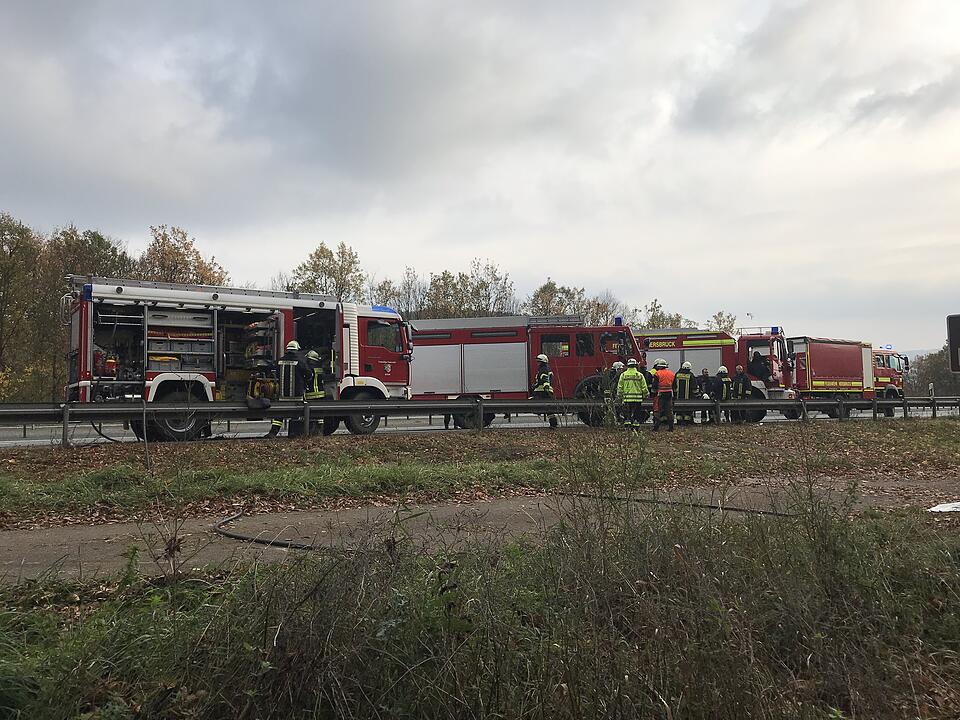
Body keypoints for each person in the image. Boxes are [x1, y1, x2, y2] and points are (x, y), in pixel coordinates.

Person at [276, 340, 311, 437]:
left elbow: (276, 374)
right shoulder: (300, 361)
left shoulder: (280, 360)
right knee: (297, 414)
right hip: (297, 394)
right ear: (297, 350)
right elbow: (308, 374)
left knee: (279, 415)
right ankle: (294, 434)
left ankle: (273, 432)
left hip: (283, 395)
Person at [616, 358, 649, 428]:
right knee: (637, 413)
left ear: (628, 365)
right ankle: (636, 425)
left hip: (627, 398)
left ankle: (627, 425)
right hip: (637, 399)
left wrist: (619, 396)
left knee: (627, 412)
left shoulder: (623, 375)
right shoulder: (640, 375)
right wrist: (646, 394)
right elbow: (644, 387)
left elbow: (620, 387)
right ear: (636, 365)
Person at [532, 353, 559, 428]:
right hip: (544, 391)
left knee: (547, 408)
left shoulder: (543, 369)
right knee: (549, 410)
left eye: (539, 361)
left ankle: (553, 424)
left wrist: (546, 388)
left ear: (543, 362)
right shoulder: (545, 368)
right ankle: (553, 424)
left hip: (543, 392)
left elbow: (545, 379)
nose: (538, 363)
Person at [304, 349, 326, 435]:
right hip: (320, 394)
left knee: (311, 415)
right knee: (320, 415)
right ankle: (320, 431)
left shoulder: (309, 368)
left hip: (311, 394)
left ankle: (311, 431)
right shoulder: (319, 368)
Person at [651, 358, 675, 431]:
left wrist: (653, 395)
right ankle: (671, 427)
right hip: (669, 394)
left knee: (658, 410)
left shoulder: (657, 374)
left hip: (660, 394)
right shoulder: (672, 373)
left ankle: (656, 427)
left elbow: (654, 386)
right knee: (669, 411)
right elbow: (674, 386)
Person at [673, 361, 696, 426]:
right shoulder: (690, 375)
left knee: (678, 410)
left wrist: (675, 394)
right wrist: (696, 396)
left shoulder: (677, 374)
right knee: (688, 410)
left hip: (678, 398)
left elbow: (674, 385)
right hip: (688, 398)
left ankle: (679, 421)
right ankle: (687, 421)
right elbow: (694, 387)